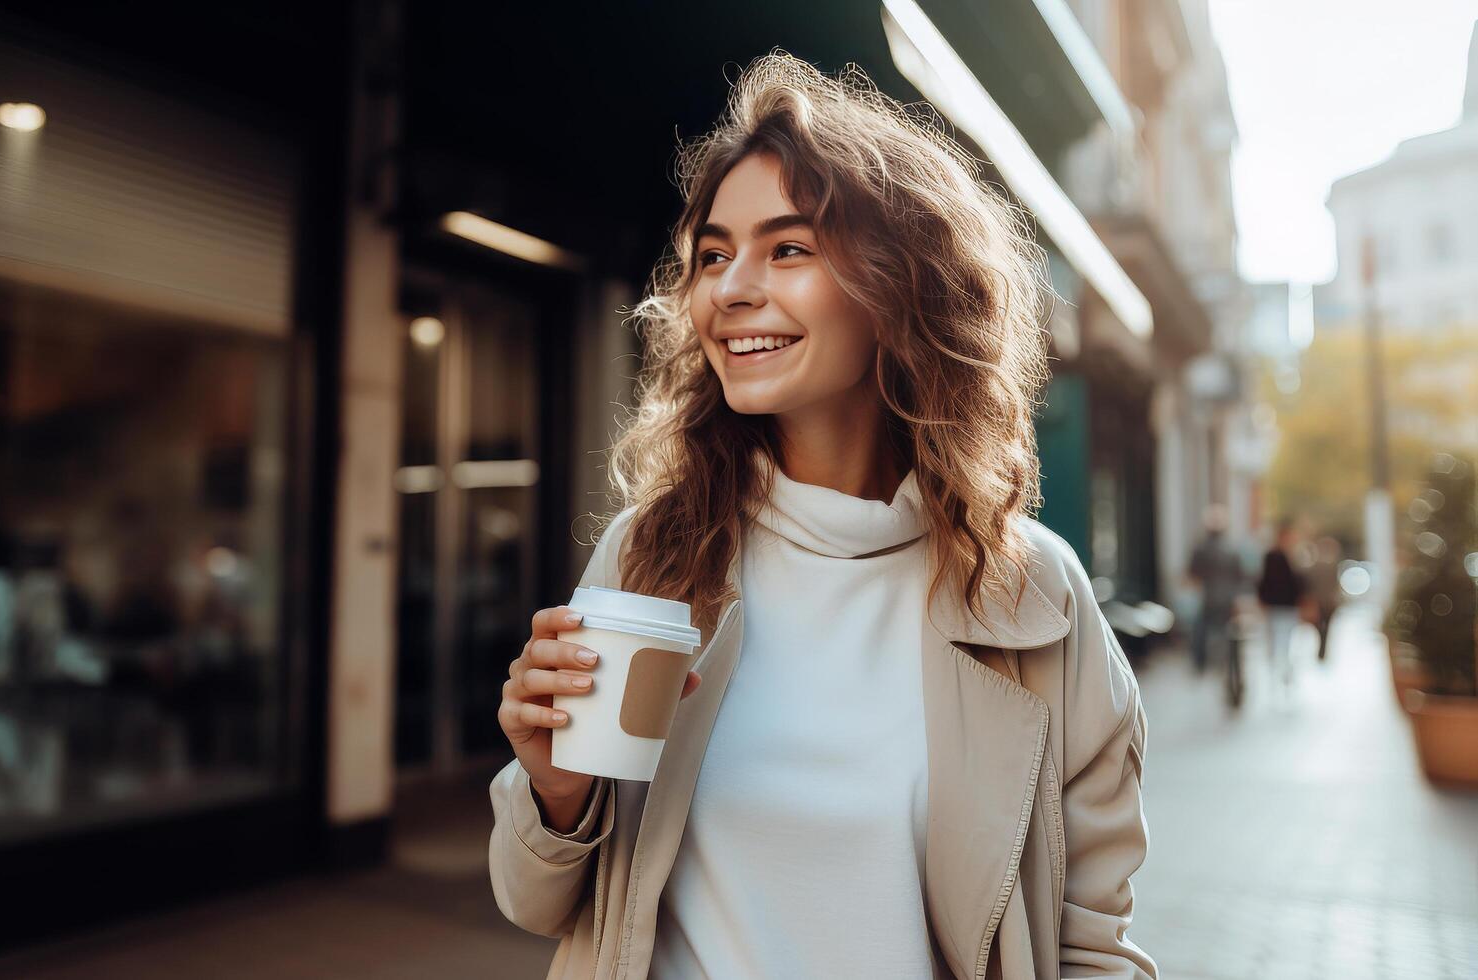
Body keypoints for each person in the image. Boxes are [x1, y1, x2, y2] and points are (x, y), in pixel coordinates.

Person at [491, 52, 1155, 979]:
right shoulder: (652, 556)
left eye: (788, 248)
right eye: (714, 254)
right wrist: (555, 791)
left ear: (902, 284)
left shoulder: (1033, 597)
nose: (729, 288)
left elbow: (1089, 945)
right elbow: (537, 902)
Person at [1185, 503, 1246, 674]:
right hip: (1228, 599)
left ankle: (1200, 662)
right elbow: (1240, 577)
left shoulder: (1201, 548)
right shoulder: (1232, 549)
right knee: (1231, 631)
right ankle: (1230, 661)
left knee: (1200, 628)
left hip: (1208, 598)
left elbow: (1192, 574)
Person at [1256, 518, 1306, 697]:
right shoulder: (1274, 557)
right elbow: (1265, 581)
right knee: (1279, 641)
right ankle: (1280, 672)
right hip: (1277, 606)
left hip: (1288, 607)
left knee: (1287, 642)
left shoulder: (1293, 556)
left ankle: (1285, 672)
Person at [1304, 535, 1343, 661]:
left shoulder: (1316, 566)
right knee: (1324, 626)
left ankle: (1321, 649)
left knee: (1321, 626)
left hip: (1323, 602)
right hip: (1326, 602)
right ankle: (1322, 650)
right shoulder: (1329, 566)